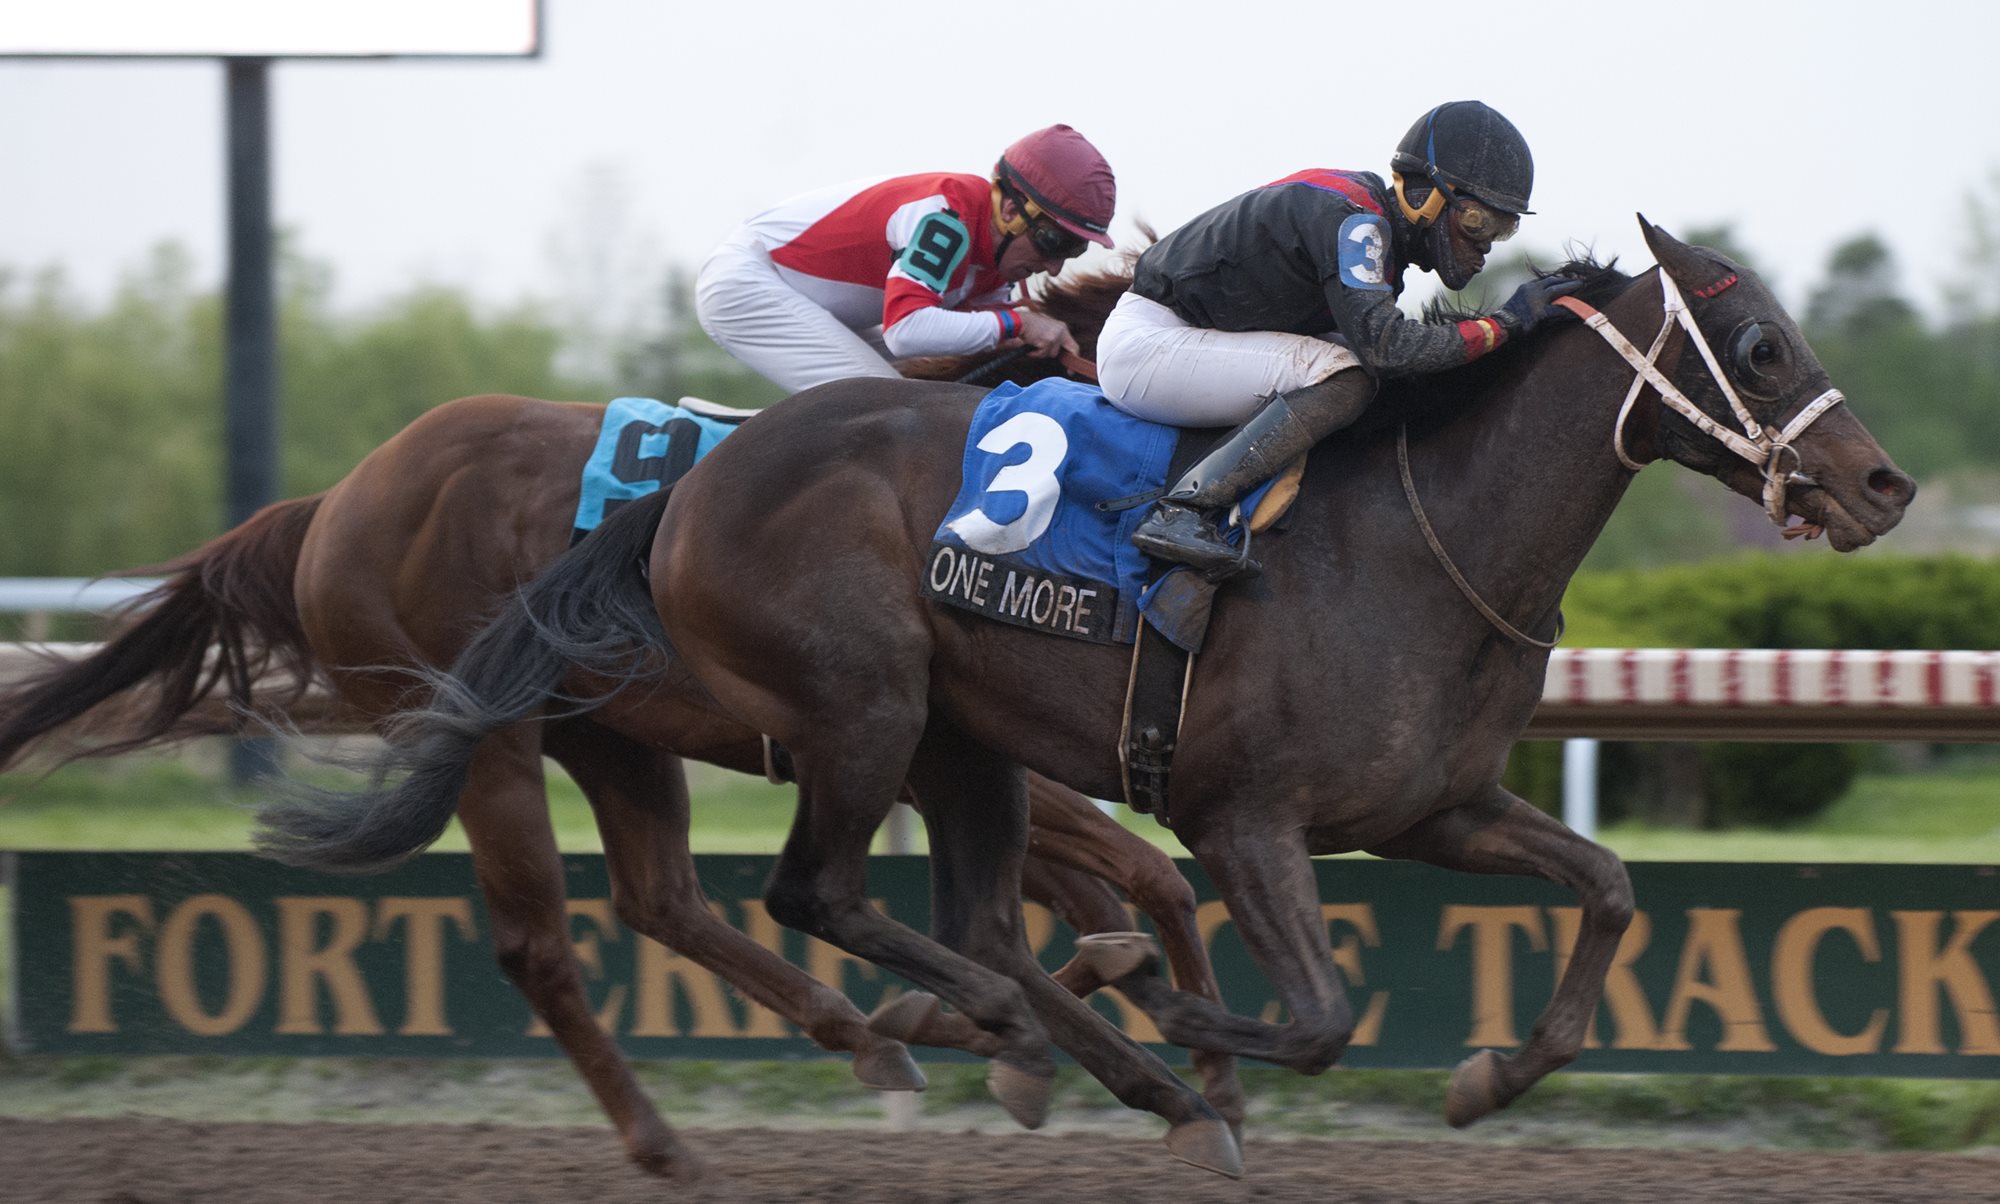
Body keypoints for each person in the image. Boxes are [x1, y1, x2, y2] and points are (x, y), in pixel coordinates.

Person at [1096, 101, 1580, 579]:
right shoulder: (1358, 223)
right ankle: (1184, 509)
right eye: (1477, 221)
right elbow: (1389, 348)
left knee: (1366, 377)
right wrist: (1504, 324)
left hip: (1187, 338)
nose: (1485, 245)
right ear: (1425, 195)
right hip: (1149, 345)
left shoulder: (1377, 241)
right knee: (1348, 376)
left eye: (1504, 228)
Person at [695, 125, 1116, 394]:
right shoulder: (948, 217)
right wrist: (1022, 323)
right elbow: (906, 331)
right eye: (1051, 241)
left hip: (805, 302)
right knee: (884, 403)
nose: (1055, 266)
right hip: (747, 282)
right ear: (1010, 212)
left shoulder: (991, 265)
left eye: (1073, 249)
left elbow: (962, 341)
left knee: (925, 391)